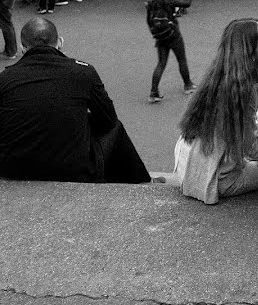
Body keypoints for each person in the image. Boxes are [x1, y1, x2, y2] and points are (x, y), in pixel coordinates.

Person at [0, 17, 150, 183]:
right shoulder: (83, 72)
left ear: (23, 48)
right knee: (116, 128)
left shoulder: (5, 78)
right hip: (73, 171)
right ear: (60, 42)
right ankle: (141, 181)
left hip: (13, 169)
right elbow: (108, 120)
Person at [173, 18, 258, 204]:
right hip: (217, 178)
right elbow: (253, 150)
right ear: (251, 55)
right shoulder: (241, 92)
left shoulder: (230, 76)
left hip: (191, 166)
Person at [145, 0, 196, 104]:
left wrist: (156, 33)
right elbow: (186, 3)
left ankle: (153, 92)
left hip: (160, 36)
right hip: (173, 34)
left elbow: (148, 21)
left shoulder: (150, 2)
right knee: (181, 59)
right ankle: (188, 84)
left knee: (161, 63)